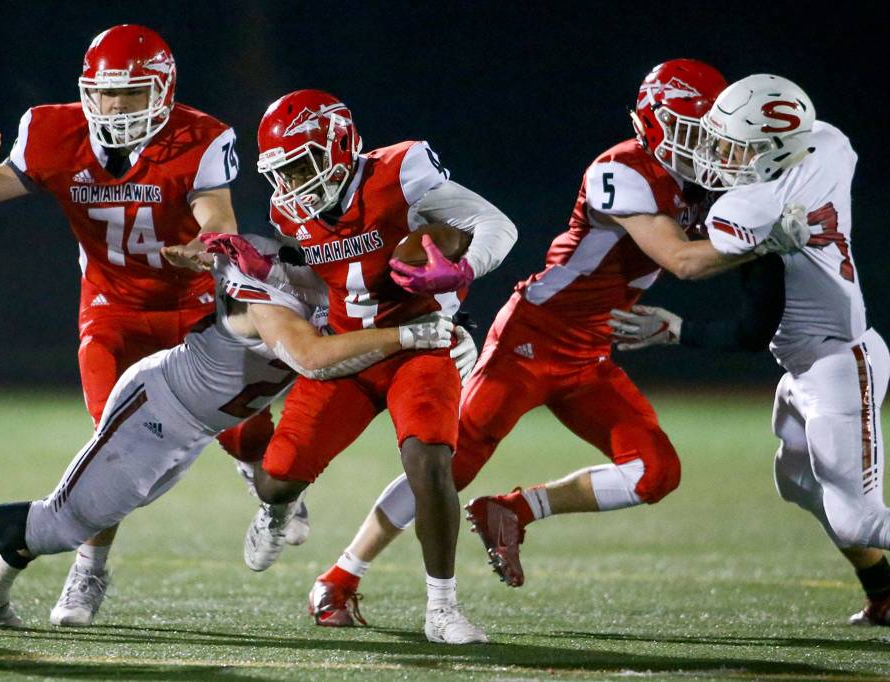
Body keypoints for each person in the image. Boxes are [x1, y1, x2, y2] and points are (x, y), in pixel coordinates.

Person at [303, 59, 810, 626]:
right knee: (447, 465)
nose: (708, 146)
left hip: (591, 353)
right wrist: (770, 236)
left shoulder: (709, 184)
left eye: (713, 131)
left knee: (656, 473)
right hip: (532, 336)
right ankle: (339, 577)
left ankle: (514, 510)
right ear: (655, 125)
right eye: (694, 132)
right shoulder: (621, 171)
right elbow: (683, 261)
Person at [0, 239, 454, 631]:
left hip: (194, 428)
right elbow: (312, 356)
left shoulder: (322, 283)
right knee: (61, 519)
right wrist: (407, 337)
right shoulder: (273, 286)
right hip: (158, 406)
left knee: (73, 519)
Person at [0, 24, 281, 626]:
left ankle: (275, 502)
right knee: (114, 444)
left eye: (130, 94)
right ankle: (88, 572)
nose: (114, 106)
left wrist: (208, 250)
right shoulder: (53, 130)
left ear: (162, 90)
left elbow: (218, 224)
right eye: (104, 93)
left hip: (189, 310)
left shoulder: (199, 137)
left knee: (255, 443)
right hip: (112, 309)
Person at [235, 89, 517, 644]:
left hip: (421, 344)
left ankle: (441, 608)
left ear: (340, 146)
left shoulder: (402, 173)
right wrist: (268, 273)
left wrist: (462, 275)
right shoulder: (287, 209)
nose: (294, 182)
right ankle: (275, 509)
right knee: (277, 480)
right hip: (352, 349)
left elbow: (496, 227)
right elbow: (323, 280)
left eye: (304, 163)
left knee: (430, 460)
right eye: (283, 171)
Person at [612, 73, 890, 627]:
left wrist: (677, 332)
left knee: (859, 521)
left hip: (838, 361)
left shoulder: (744, 209)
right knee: (798, 485)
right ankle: (885, 593)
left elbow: (748, 326)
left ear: (774, 150)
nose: (719, 153)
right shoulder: (829, 144)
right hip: (809, 364)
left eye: (736, 145)